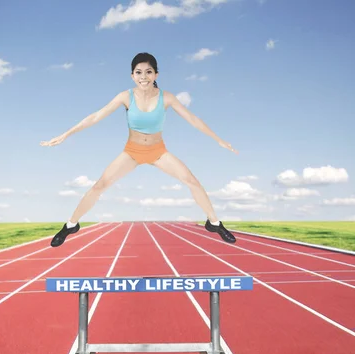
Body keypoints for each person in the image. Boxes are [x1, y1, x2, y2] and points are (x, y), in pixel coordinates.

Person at [41, 52, 237, 247]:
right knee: (100, 185)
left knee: (192, 181)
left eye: (148, 72)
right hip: (132, 152)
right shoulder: (125, 96)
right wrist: (66, 134)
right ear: (132, 76)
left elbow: (193, 119)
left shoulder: (166, 97)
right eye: (139, 72)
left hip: (158, 152)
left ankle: (214, 223)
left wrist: (218, 140)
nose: (143, 76)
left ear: (156, 75)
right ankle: (71, 225)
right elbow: (95, 116)